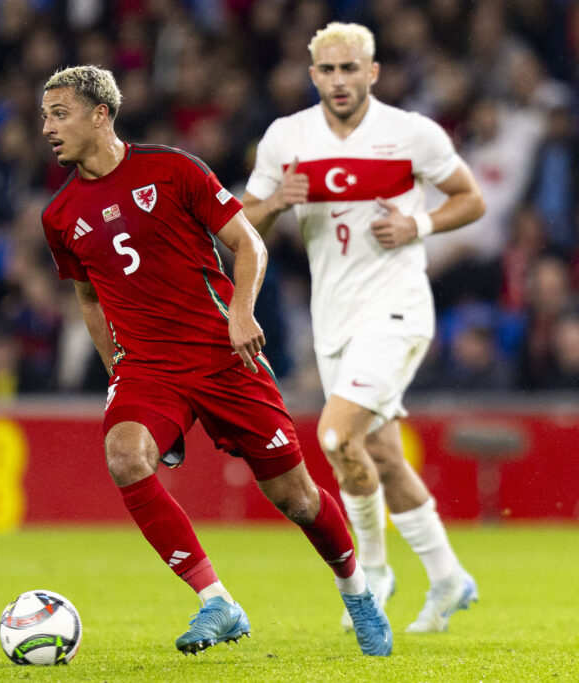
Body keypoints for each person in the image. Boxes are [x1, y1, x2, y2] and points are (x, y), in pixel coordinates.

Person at [39, 65, 392, 657]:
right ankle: (216, 601)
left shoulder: (173, 169)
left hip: (223, 355)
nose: (47, 127)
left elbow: (248, 243)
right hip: (149, 369)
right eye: (45, 115)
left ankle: (356, 590)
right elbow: (89, 298)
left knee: (298, 499)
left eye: (60, 113)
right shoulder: (59, 215)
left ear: (101, 114)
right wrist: (116, 370)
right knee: (125, 457)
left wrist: (241, 312)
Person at [240, 22, 486, 634]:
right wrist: (274, 204)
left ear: (372, 72)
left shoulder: (410, 134)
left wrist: (420, 226)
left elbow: (470, 198)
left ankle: (373, 572)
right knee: (375, 450)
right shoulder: (287, 138)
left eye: (351, 69)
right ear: (312, 73)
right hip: (335, 321)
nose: (339, 80)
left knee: (334, 436)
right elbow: (240, 228)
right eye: (328, 70)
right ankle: (451, 579)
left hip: (398, 311)